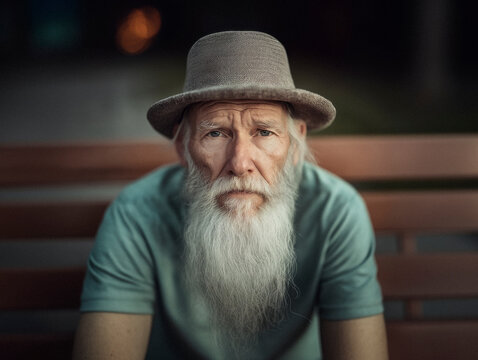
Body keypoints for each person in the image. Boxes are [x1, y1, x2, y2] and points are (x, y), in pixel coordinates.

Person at [73, 31, 388, 360]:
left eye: (264, 132)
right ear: (183, 147)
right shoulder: (135, 214)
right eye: (215, 132)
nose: (239, 163)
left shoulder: (336, 212)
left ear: (295, 144)